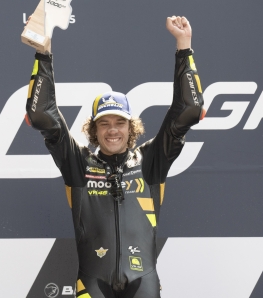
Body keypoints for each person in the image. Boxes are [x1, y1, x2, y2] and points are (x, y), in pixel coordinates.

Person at [25, 16, 205, 298]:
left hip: (143, 281)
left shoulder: (150, 161)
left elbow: (189, 110)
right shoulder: (79, 163)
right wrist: (43, 52)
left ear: (131, 127)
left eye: (119, 123)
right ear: (94, 129)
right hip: (92, 284)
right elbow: (41, 114)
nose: (112, 131)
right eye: (104, 123)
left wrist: (184, 46)